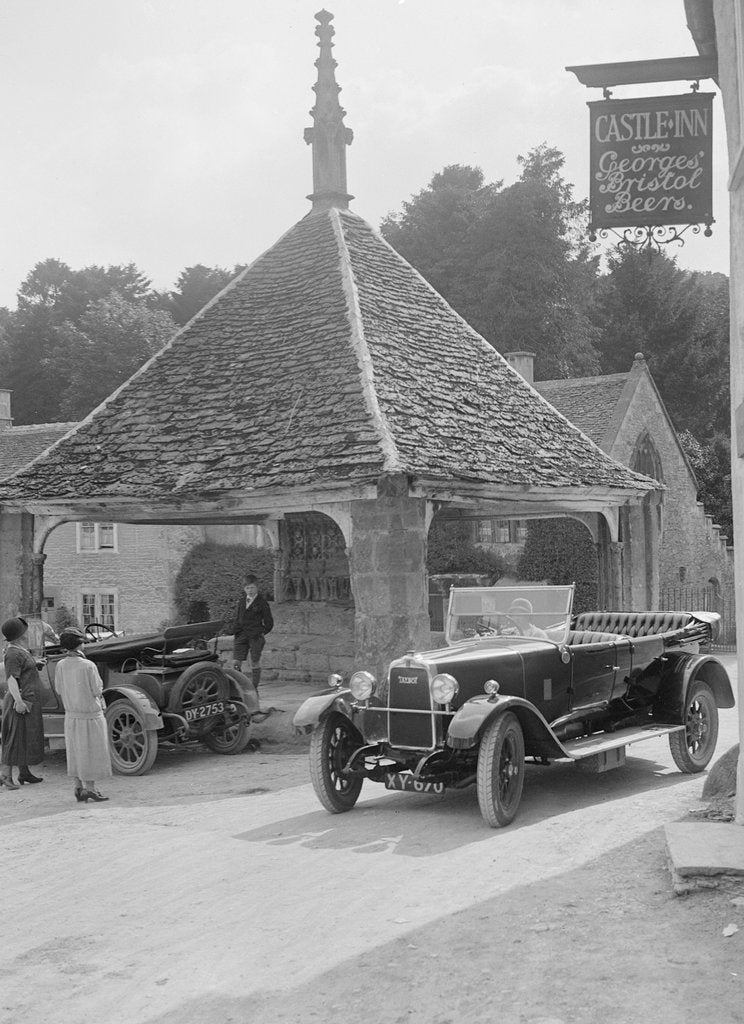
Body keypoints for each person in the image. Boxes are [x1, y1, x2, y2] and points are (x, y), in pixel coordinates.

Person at [53, 626, 112, 803]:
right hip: (90, 714)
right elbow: (97, 689)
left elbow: (58, 689)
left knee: (75, 751)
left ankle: (78, 787)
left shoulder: (61, 665)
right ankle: (91, 789)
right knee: (91, 752)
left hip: (71, 715)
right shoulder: (88, 665)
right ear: (80, 645)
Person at [1, 616, 45, 789]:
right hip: (20, 701)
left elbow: (23, 668)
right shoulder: (12, 653)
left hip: (28, 700)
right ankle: (5, 775)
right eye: (24, 632)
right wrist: (18, 702)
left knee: (24, 737)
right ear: (19, 635)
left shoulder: (19, 650)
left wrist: (35, 664)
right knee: (14, 738)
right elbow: (12, 679)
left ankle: (24, 773)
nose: (27, 635)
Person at [232, 573, 273, 691]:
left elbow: (269, 622)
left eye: (252, 587)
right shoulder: (241, 601)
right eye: (247, 588)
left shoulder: (262, 602)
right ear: (244, 589)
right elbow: (237, 617)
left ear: (257, 587)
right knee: (236, 662)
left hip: (255, 636)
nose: (250, 590)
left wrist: (261, 633)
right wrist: (236, 630)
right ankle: (239, 687)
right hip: (241, 634)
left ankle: (254, 689)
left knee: (254, 661)